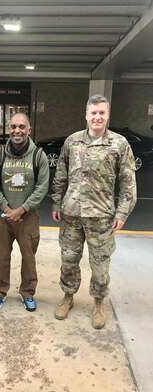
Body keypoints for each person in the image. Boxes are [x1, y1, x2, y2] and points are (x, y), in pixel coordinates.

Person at [52, 94, 137, 329]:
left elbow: (128, 182)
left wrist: (121, 214)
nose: (97, 117)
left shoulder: (119, 144)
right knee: (69, 260)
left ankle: (99, 302)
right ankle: (68, 296)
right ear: (86, 115)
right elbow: (60, 173)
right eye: (93, 113)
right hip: (71, 215)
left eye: (102, 112)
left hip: (102, 217)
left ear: (107, 115)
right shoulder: (72, 141)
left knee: (100, 264)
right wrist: (56, 203)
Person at [0, 113, 49, 312]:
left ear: (29, 130)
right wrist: (7, 209)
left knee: (28, 257)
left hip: (28, 217)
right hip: (4, 217)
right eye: (13, 126)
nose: (17, 130)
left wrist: (22, 210)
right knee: (2, 256)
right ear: (9, 129)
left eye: (22, 126)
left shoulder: (39, 155)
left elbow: (42, 188)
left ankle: (28, 293)